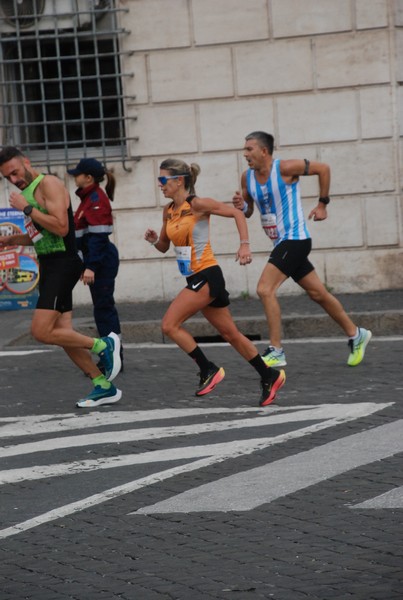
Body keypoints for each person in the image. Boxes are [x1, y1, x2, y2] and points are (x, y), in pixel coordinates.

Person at [144, 158, 286, 407]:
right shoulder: (168, 211)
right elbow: (165, 246)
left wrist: (244, 245)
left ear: (179, 181)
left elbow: (235, 213)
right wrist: (155, 240)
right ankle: (269, 375)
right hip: (195, 277)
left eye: (163, 180)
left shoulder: (198, 204)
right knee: (231, 333)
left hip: (207, 275)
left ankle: (207, 369)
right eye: (159, 180)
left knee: (169, 325)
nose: (160, 185)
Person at [232, 131, 372, 368]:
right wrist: (242, 205)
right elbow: (249, 211)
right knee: (318, 294)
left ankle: (276, 350)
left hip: (295, 239)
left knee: (265, 289)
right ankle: (356, 334)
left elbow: (324, 168)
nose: (245, 154)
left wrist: (322, 204)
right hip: (280, 243)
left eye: (249, 149)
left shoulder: (286, 168)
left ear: (264, 151)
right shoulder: (247, 178)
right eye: (244, 149)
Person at [0, 146, 122, 408]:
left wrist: (26, 209)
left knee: (41, 331)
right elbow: (43, 234)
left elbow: (61, 226)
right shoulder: (29, 192)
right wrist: (11, 240)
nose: (13, 179)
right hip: (49, 264)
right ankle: (103, 386)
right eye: (6, 177)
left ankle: (103, 345)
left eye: (14, 172)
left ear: (26, 162)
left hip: (64, 264)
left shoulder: (49, 184)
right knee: (62, 333)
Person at [67, 157, 123, 372]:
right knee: (102, 309)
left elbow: (98, 239)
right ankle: (111, 354)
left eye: (77, 174)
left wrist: (91, 267)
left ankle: (113, 356)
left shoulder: (95, 199)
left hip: (101, 263)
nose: (74, 177)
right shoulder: (88, 198)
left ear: (88, 177)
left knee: (104, 309)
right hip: (97, 262)